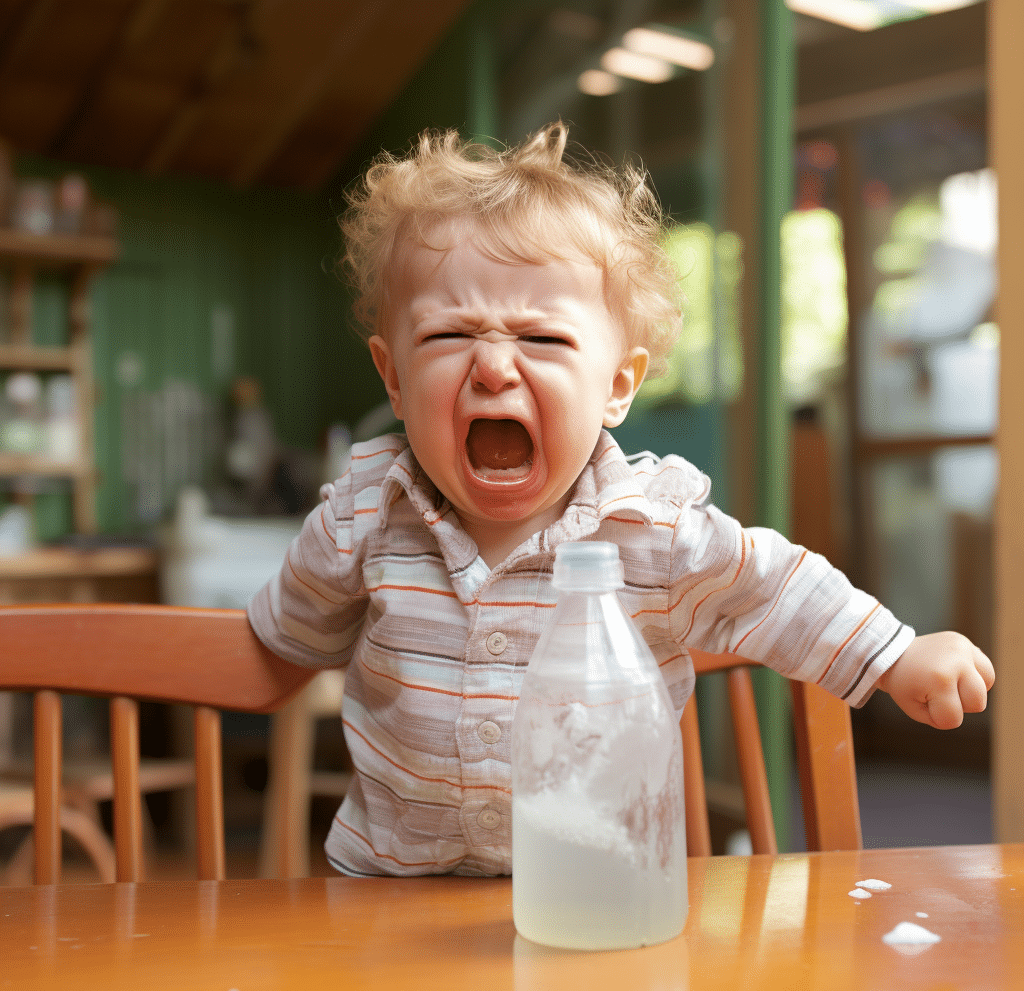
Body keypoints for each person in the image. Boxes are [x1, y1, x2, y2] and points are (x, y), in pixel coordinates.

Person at [248, 124, 994, 878]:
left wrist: (897, 653)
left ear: (617, 386)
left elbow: (781, 588)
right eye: (450, 332)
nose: (496, 365)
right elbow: (281, 636)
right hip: (386, 900)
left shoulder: (652, 526)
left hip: (591, 891)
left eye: (542, 338)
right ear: (394, 379)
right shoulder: (364, 515)